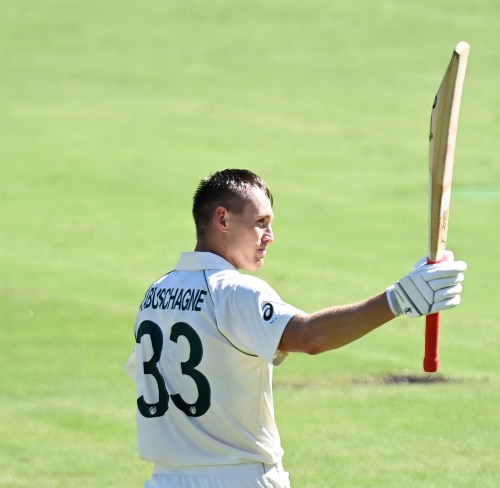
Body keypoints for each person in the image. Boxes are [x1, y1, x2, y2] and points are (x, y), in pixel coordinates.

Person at [125, 168, 467, 488]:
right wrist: (400, 298)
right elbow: (309, 336)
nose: (270, 237)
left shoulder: (156, 294)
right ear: (223, 219)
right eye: (260, 222)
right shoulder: (234, 292)